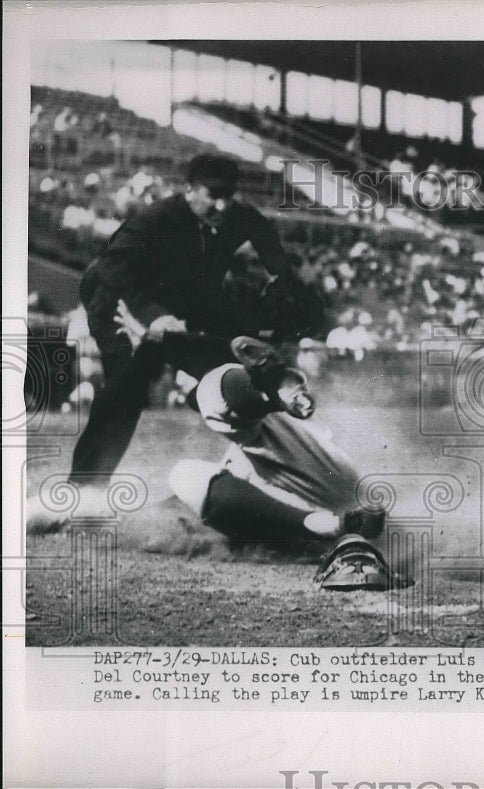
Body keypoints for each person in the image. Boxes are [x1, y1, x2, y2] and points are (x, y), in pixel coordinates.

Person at [68, 153, 320, 487]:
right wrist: (151, 317)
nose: (222, 205)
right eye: (213, 195)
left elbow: (267, 240)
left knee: (242, 361)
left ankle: (290, 465)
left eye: (228, 196)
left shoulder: (237, 215)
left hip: (180, 302)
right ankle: (83, 488)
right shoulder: (156, 218)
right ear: (189, 191)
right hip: (118, 300)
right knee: (128, 382)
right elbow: (112, 269)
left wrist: (283, 279)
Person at [116, 303, 408, 591]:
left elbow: (223, 378)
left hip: (319, 494)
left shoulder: (240, 402)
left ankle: (323, 523)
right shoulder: (255, 430)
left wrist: (161, 342)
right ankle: (333, 527)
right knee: (193, 490)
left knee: (185, 472)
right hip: (346, 499)